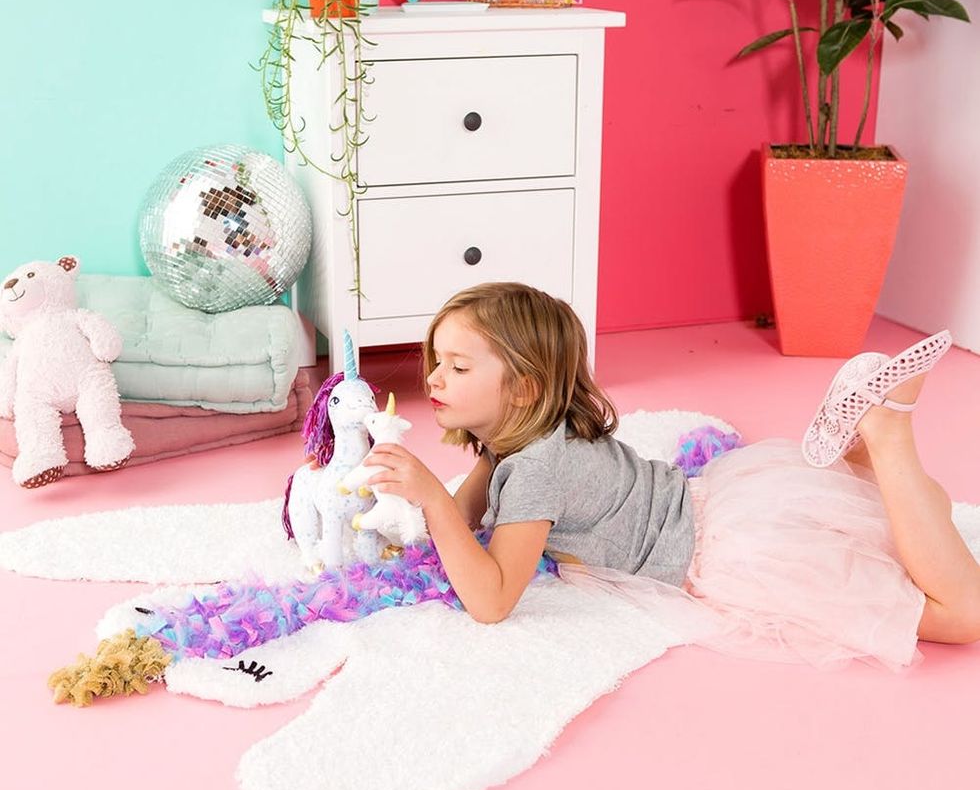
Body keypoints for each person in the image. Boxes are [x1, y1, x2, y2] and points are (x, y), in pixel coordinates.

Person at [362, 282, 980, 671]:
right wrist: (428, 501)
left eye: (458, 367)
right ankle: (864, 451)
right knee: (903, 509)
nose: (433, 378)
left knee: (960, 615)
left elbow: (492, 600)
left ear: (524, 389)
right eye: (437, 361)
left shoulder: (534, 472)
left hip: (729, 557)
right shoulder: (530, 434)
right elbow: (469, 521)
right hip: (723, 500)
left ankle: (887, 435)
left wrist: (431, 497)